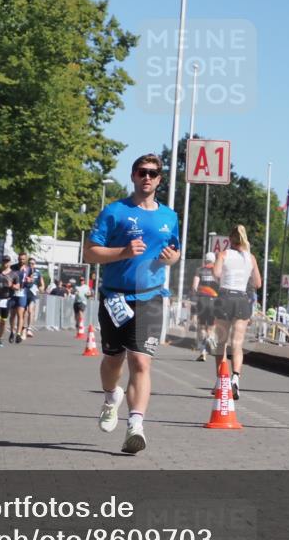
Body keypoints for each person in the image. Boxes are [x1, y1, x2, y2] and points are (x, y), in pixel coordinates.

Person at [84, 154, 180, 455]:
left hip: (150, 296)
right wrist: (123, 252)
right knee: (113, 360)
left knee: (141, 361)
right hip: (115, 296)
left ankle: (135, 426)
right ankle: (112, 396)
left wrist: (172, 259)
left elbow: (174, 251)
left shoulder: (169, 216)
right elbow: (90, 254)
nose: (147, 177)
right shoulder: (115, 212)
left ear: (160, 179)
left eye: (153, 173)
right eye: (142, 172)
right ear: (133, 176)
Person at [212, 226, 262, 400]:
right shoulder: (251, 258)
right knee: (237, 344)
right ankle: (235, 378)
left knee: (221, 343)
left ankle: (221, 381)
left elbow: (216, 273)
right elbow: (257, 283)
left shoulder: (223, 255)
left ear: (230, 240)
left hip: (225, 296)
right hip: (242, 298)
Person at [191, 252, 220, 362]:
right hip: (215, 301)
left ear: (205, 260)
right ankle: (210, 338)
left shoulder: (199, 270)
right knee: (211, 326)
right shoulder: (217, 271)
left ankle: (203, 352)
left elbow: (194, 287)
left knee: (202, 327)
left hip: (202, 300)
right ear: (214, 261)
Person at [9, 252, 32, 344]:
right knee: (12, 315)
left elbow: (31, 281)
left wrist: (30, 281)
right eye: (19, 259)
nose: (21, 260)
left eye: (23, 259)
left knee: (20, 314)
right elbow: (8, 278)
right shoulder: (13, 268)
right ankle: (12, 332)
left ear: (26, 259)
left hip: (22, 293)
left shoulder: (29, 269)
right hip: (13, 293)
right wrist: (12, 285)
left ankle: (18, 334)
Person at [24, 258, 45, 337]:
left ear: (35, 264)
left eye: (33, 263)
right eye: (29, 263)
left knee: (30, 310)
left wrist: (42, 288)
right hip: (24, 292)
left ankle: (29, 329)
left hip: (32, 293)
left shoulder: (37, 272)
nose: (31, 265)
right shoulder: (24, 271)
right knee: (24, 312)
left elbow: (42, 283)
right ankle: (23, 327)